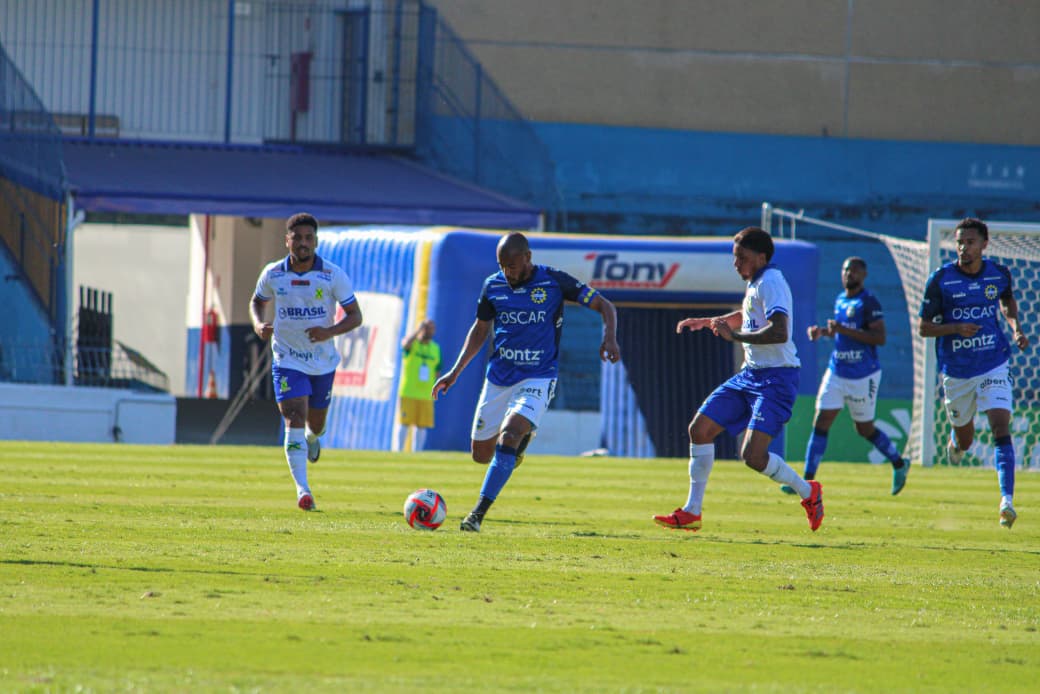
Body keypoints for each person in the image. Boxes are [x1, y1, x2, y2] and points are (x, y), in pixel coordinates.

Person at [432, 232, 620, 533]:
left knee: (509, 435)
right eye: (502, 265)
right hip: (499, 379)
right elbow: (480, 330)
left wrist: (609, 336)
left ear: (527, 257)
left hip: (538, 376)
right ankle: (517, 448)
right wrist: (455, 372)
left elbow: (605, 305)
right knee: (481, 455)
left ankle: (477, 515)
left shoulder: (554, 282)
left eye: (513, 265)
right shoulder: (492, 285)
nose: (508, 272)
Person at [653, 226, 824, 533]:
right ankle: (692, 511)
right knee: (700, 429)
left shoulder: (772, 281)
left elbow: (779, 330)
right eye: (734, 257)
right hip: (750, 376)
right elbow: (749, 315)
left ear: (761, 256)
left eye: (741, 257)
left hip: (776, 379)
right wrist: (710, 322)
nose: (735, 264)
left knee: (753, 456)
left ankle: (809, 492)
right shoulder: (757, 282)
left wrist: (735, 337)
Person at [918, 217, 1029, 528]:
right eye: (959, 242)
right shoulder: (941, 280)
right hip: (957, 371)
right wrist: (955, 328)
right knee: (965, 440)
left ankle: (1006, 500)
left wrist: (1016, 328)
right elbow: (923, 327)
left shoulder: (998, 274)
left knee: (999, 425)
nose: (963, 247)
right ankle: (957, 442)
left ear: (984, 244)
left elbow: (1007, 302)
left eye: (969, 241)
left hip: (993, 361)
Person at [250, 213, 363, 511]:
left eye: (308, 238)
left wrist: (329, 331)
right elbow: (257, 301)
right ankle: (303, 491)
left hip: (322, 362)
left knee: (316, 424)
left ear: (315, 241)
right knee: (294, 418)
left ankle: (314, 439)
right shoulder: (274, 274)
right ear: (286, 240)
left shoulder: (332, 274)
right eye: (297, 237)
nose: (302, 243)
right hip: (287, 358)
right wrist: (258, 324)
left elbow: (355, 316)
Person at [782, 257, 910, 496]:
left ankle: (899, 463)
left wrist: (842, 330)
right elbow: (842, 332)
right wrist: (823, 332)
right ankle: (806, 482)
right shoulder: (841, 299)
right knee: (821, 421)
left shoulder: (868, 301)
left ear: (864, 274)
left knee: (864, 429)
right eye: (845, 270)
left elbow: (879, 338)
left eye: (854, 270)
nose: (848, 273)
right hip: (837, 370)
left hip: (863, 375)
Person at [397, 318, 441, 451]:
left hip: (426, 394)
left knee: (422, 425)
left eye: (432, 328)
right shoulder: (413, 344)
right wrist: (418, 330)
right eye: (427, 327)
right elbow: (404, 345)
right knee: (405, 423)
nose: (429, 331)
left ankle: (417, 454)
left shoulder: (435, 348)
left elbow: (437, 370)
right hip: (409, 391)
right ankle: (398, 452)